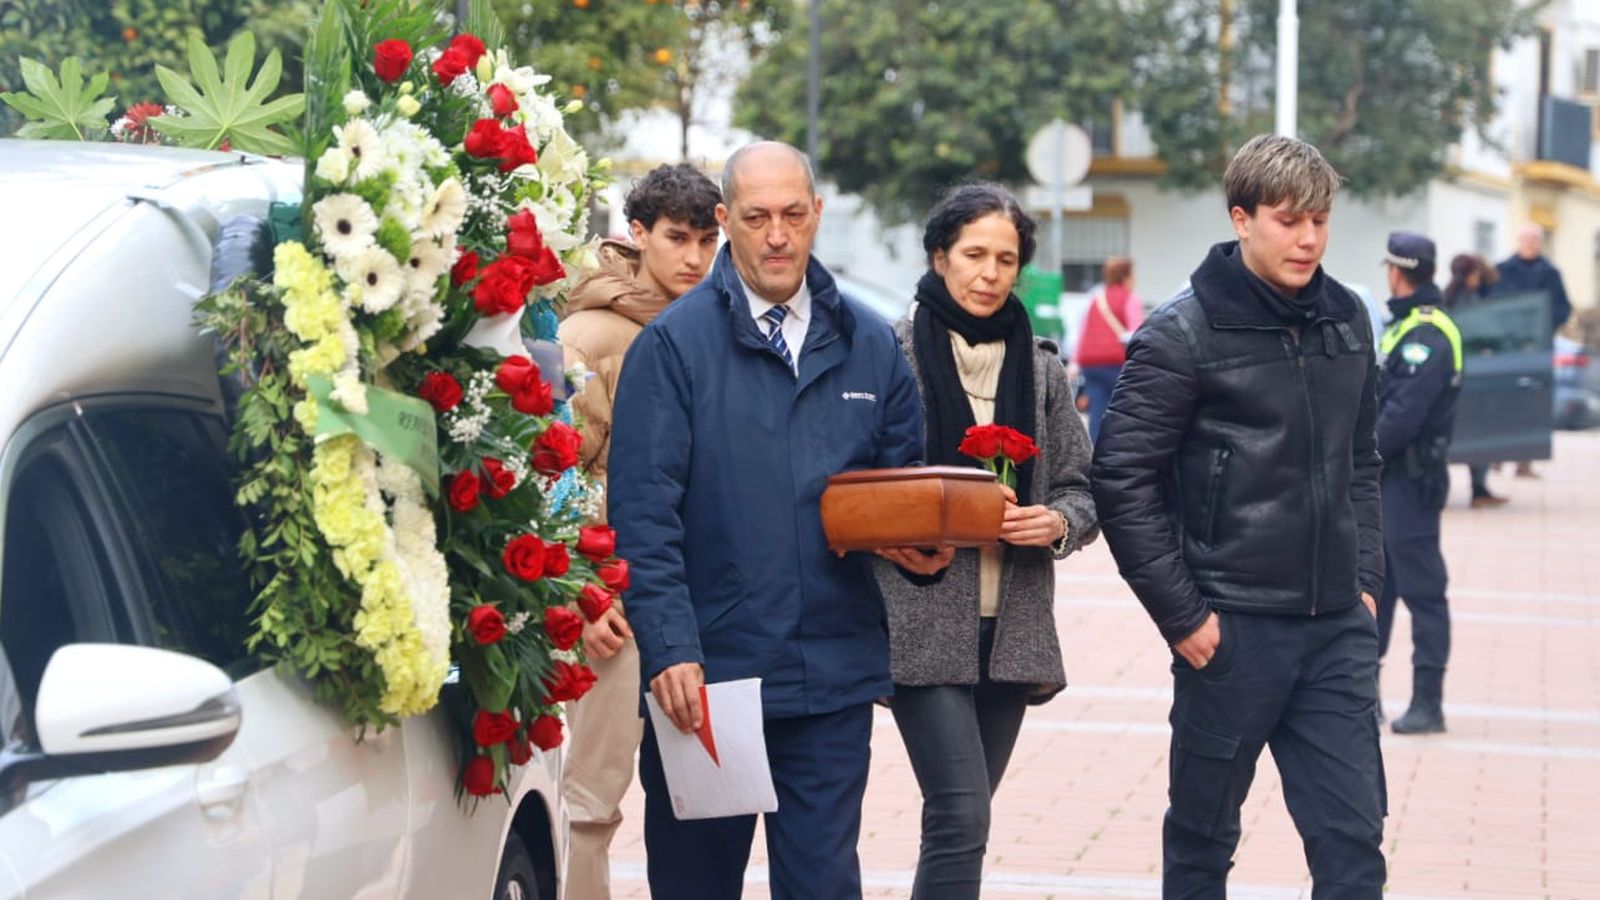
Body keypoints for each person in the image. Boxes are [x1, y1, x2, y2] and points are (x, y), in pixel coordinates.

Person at [608, 141, 936, 900]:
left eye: (793, 214)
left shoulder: (870, 344)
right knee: (697, 887)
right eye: (757, 218)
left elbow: (897, 491)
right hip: (709, 683)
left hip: (831, 681)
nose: (778, 234)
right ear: (727, 222)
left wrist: (922, 549)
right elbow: (643, 514)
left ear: (818, 214)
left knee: (823, 886)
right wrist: (669, 650)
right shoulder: (674, 346)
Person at [1091, 134, 1387, 896]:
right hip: (1230, 630)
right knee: (1201, 841)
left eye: (1321, 219)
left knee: (1354, 844)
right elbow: (1123, 480)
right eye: (1290, 220)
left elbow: (1362, 462)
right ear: (1241, 218)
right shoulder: (1179, 335)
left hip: (1334, 630)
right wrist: (1184, 618)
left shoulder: (1347, 318)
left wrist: (1365, 582)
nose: (1310, 238)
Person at [875, 183, 1098, 899]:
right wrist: (926, 517)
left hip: (1013, 624)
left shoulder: (1039, 368)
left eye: (1005, 259)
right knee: (961, 812)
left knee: (963, 821)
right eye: (973, 254)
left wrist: (1057, 523)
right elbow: (858, 484)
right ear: (940, 257)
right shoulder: (891, 355)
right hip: (921, 618)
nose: (989, 273)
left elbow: (1081, 486)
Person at [557, 162, 721, 900]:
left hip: (699, 602)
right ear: (638, 234)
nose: (693, 257)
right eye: (677, 238)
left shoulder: (719, 326)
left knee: (704, 804)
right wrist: (585, 592)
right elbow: (557, 479)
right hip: (613, 608)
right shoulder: (587, 336)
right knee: (588, 802)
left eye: (707, 240)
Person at [1376, 232, 1461, 735]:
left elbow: (1402, 417)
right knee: (1376, 590)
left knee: (1424, 593)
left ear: (1397, 271)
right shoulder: (1404, 325)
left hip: (1410, 482)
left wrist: (1354, 457)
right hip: (1388, 481)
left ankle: (1429, 701)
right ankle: (1364, 695)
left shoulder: (1428, 332)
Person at [1496, 223, 1572, 480]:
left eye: (1534, 239)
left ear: (1540, 243)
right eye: (1525, 238)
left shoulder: (1551, 273)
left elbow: (1563, 308)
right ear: (1518, 241)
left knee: (1532, 405)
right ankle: (1495, 455)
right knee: (1503, 402)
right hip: (1506, 349)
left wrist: (1543, 325)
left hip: (1537, 349)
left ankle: (1524, 461)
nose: (1529, 243)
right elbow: (1492, 305)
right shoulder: (1503, 271)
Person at [1441, 253, 1505, 509]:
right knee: (1480, 433)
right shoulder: (1470, 302)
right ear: (1470, 275)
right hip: (1474, 379)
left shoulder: (1445, 298)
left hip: (1450, 379)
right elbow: (1492, 334)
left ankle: (1465, 489)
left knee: (1449, 436)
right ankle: (1479, 490)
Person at [1074, 256, 1144, 442]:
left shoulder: (1096, 299)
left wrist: (1074, 363)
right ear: (1127, 276)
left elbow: (1082, 331)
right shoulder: (1130, 298)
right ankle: (1118, 451)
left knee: (1097, 410)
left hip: (1089, 362)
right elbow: (1136, 333)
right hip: (1115, 361)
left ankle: (1096, 454)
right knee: (1123, 410)